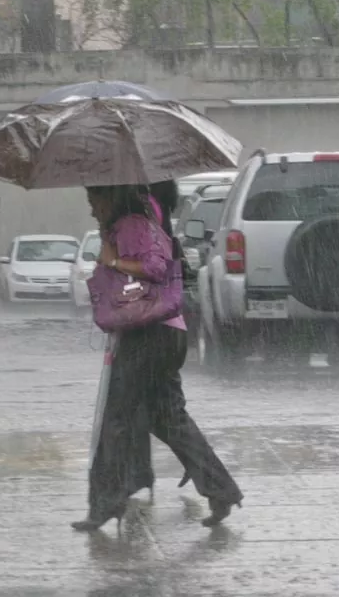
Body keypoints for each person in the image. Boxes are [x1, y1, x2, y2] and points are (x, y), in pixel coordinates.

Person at [72, 184, 244, 532]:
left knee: (116, 419)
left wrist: (113, 261)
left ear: (112, 197)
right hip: (164, 333)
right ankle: (221, 490)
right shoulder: (133, 222)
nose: (92, 209)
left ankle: (106, 502)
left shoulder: (134, 223)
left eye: (95, 200)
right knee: (168, 419)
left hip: (149, 335)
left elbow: (155, 267)